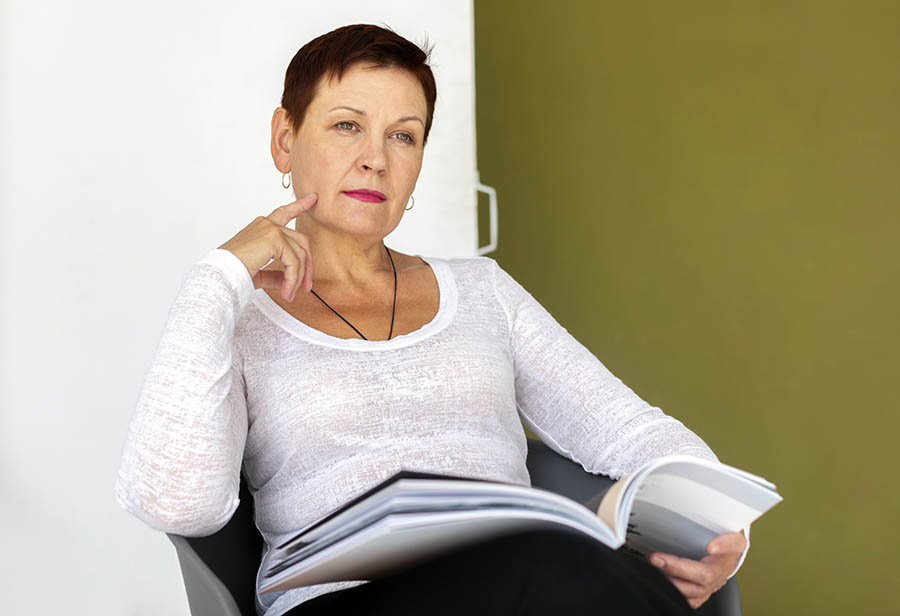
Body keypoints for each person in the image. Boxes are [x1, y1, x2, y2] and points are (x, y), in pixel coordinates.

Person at [115, 23, 748, 616]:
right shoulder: (236, 320)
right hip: (346, 599)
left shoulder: (482, 291)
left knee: (582, 567)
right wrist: (219, 275)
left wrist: (716, 530)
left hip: (519, 582)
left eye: (403, 135)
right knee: (556, 565)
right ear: (286, 138)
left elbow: (631, 430)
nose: (375, 159)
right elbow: (176, 503)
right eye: (346, 126)